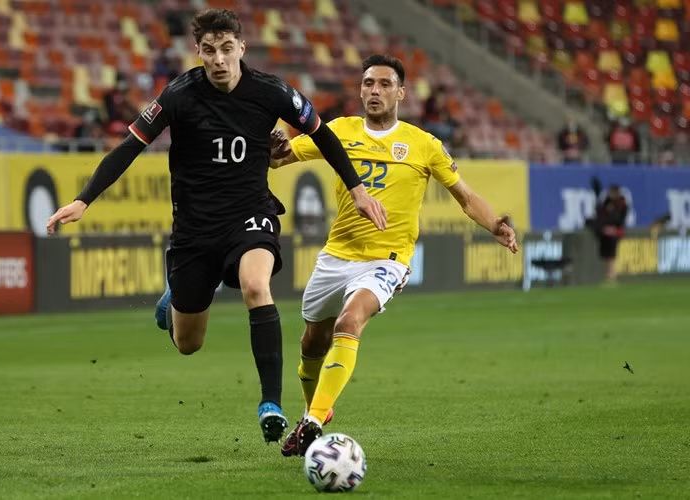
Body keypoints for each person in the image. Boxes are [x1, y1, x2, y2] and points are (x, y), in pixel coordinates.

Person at [45, 9, 386, 443]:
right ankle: (174, 301)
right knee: (188, 343)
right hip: (194, 229)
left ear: (241, 48)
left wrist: (357, 190)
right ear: (199, 52)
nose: (219, 59)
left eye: (227, 49)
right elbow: (129, 147)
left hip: (251, 213)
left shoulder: (271, 91)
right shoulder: (178, 95)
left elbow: (323, 135)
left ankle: (270, 404)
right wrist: (83, 199)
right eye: (210, 51)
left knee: (256, 286)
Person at [269, 54, 518, 456]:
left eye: (385, 84)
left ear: (401, 93)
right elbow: (279, 158)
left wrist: (494, 225)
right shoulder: (338, 131)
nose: (375, 91)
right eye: (368, 83)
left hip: (387, 259)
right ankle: (316, 411)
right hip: (337, 255)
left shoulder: (424, 145)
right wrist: (274, 147)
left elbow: (465, 196)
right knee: (312, 344)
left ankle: (311, 422)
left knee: (350, 321)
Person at [594, 185, 628, 284]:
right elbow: (600, 214)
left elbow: (620, 219)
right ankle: (609, 275)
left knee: (612, 255)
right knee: (607, 255)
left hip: (616, 231)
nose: (610, 194)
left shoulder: (621, 203)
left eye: (612, 192)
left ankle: (612, 276)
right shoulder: (606, 202)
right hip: (606, 232)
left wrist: (613, 229)